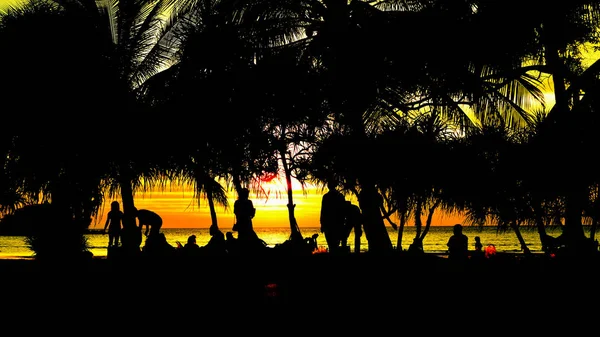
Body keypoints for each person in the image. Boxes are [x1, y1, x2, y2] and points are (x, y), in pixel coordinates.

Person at [320, 181, 347, 253]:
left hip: (329, 224)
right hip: (338, 223)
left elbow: (323, 211)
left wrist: (322, 224)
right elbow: (344, 210)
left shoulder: (326, 197)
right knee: (336, 244)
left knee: (331, 244)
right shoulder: (340, 196)